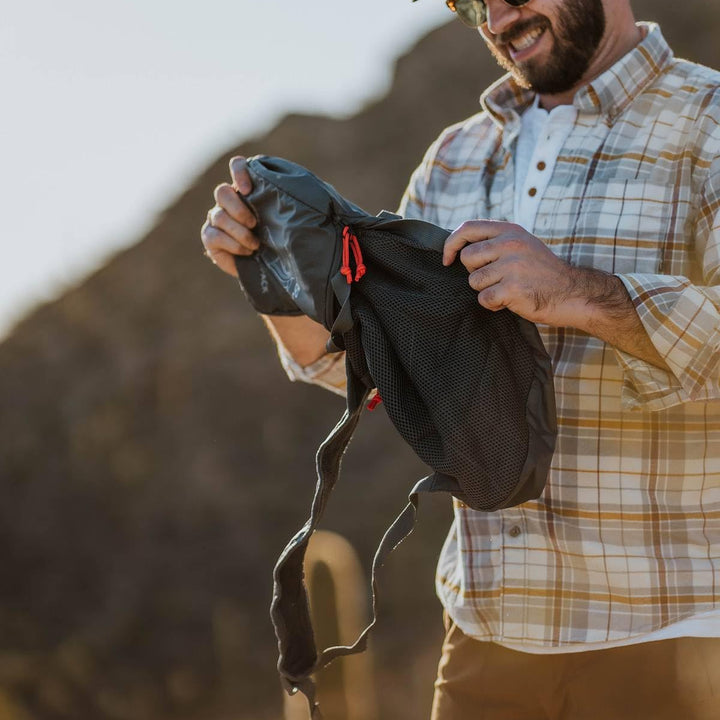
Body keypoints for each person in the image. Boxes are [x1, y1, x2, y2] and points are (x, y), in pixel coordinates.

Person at [201, 0, 720, 717]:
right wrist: (272, 277)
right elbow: (369, 375)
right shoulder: (455, 156)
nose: (497, 14)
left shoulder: (710, 121)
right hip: (483, 645)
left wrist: (575, 290)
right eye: (467, 0)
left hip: (673, 643)